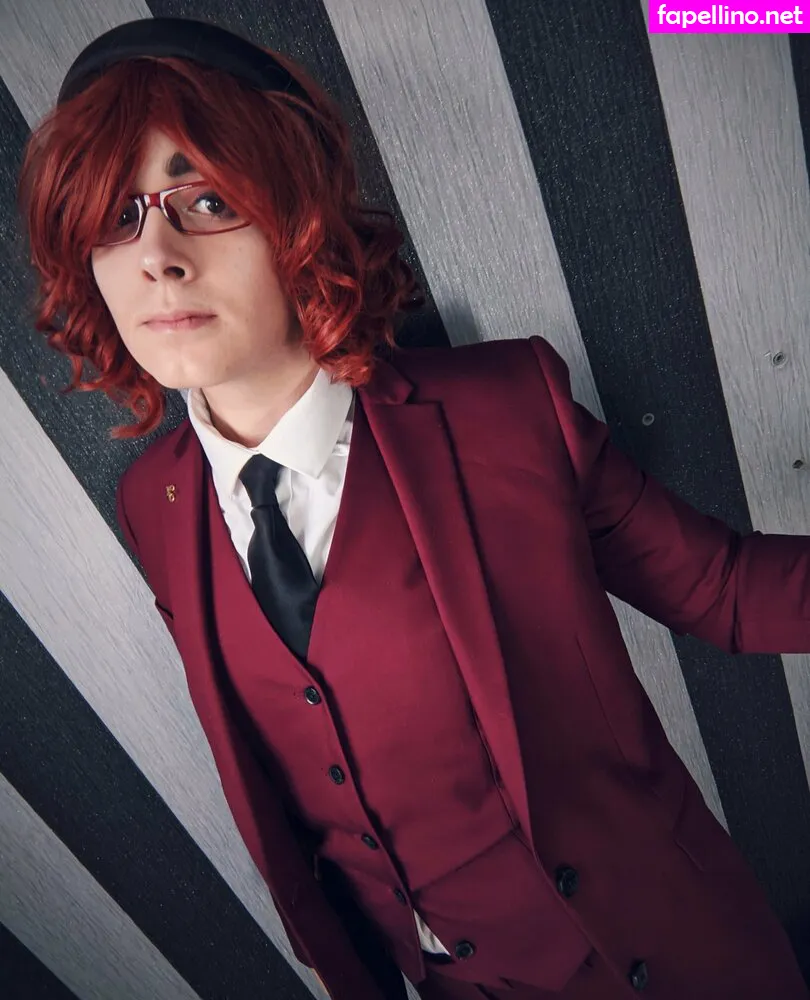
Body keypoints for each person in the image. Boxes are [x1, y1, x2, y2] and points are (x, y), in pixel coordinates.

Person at [16, 16, 810, 1000]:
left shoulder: (505, 414)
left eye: (207, 200)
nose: (157, 257)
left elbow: (727, 591)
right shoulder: (153, 502)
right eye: (114, 217)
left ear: (297, 217)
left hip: (664, 963)